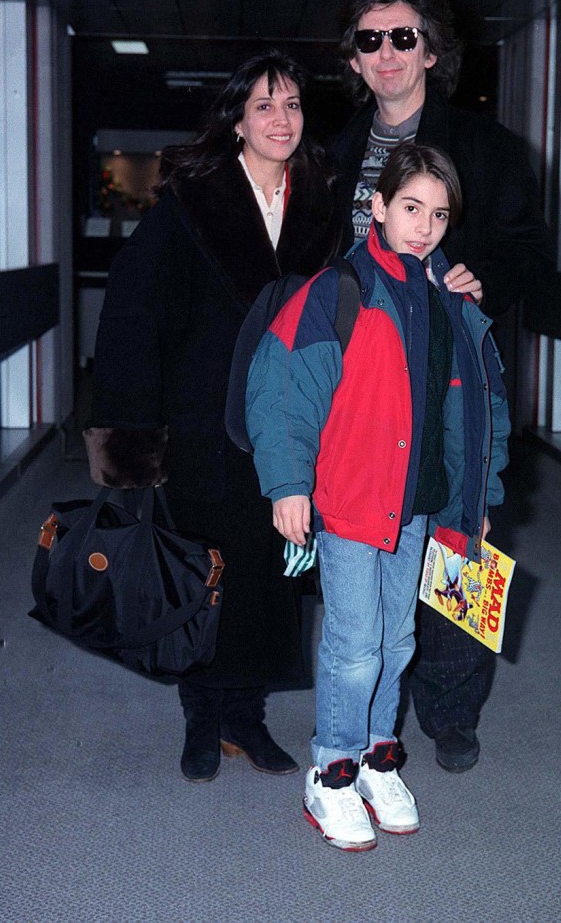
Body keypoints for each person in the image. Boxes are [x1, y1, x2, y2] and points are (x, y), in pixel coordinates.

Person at [85, 50, 346, 784]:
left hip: (285, 424)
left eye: (292, 104)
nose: (281, 118)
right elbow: (134, 318)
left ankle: (246, 714)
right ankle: (202, 712)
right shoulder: (189, 201)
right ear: (237, 119)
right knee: (204, 570)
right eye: (264, 104)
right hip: (199, 418)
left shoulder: (321, 205)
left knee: (268, 573)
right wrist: (132, 447)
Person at [245, 143, 511, 851]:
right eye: (411, 208)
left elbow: (480, 407)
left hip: (419, 503)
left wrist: (475, 496)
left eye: (439, 214)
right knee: (355, 644)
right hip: (354, 501)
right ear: (379, 209)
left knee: (398, 639)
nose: (424, 225)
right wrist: (289, 483)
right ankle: (330, 768)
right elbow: (282, 391)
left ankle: (376, 753)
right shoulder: (341, 291)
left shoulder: (454, 304)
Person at [330, 0, 554, 774]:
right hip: (367, 385)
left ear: (430, 49)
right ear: (354, 59)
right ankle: (371, 697)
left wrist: (483, 277)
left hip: (453, 375)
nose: (387, 52)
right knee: (374, 539)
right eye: (370, 39)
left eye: (403, 36)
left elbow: (530, 248)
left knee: (462, 531)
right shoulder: (339, 152)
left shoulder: (488, 149)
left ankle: (454, 707)